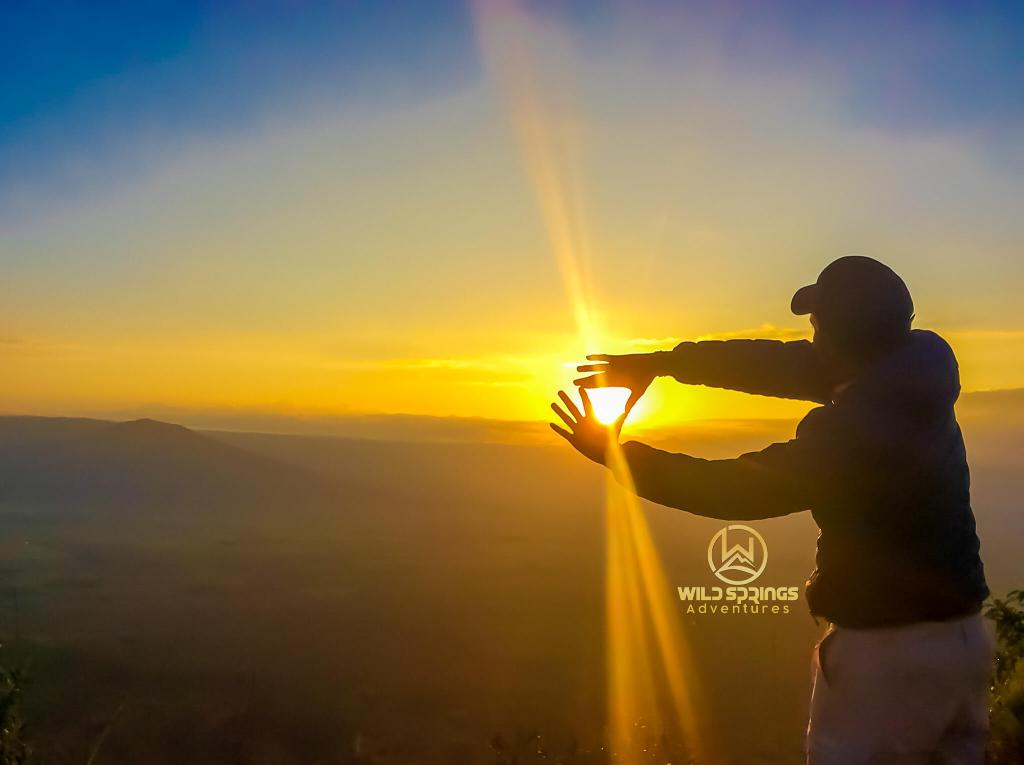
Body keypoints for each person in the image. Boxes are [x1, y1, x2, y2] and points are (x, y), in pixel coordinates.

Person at [551, 256, 992, 764]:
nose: (810, 337)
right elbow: (778, 364)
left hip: (886, 657)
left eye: (817, 325)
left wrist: (616, 456)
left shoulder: (855, 436)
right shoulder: (915, 370)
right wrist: (661, 363)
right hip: (959, 640)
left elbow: (736, 489)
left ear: (839, 339)